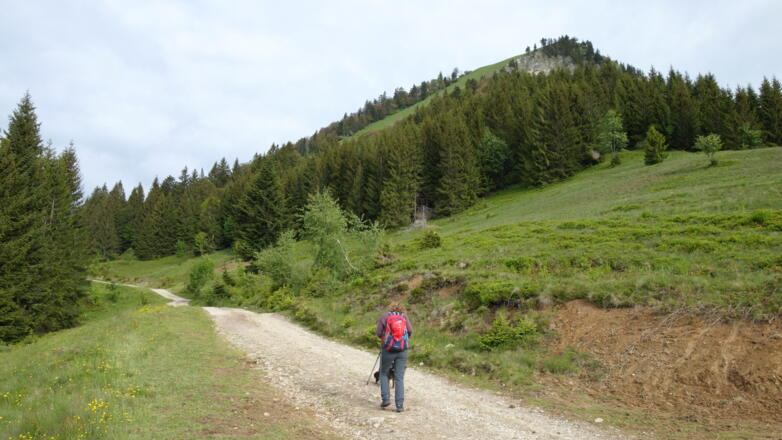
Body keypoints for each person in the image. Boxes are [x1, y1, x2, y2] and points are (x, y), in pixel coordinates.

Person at [376, 302, 413, 412]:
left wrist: (386, 338)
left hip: (388, 349)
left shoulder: (385, 316)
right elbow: (410, 331)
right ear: (402, 309)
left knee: (383, 372)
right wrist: (403, 339)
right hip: (402, 349)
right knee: (399, 377)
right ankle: (400, 405)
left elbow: (378, 333)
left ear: (390, 308)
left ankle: (386, 398)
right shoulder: (404, 317)